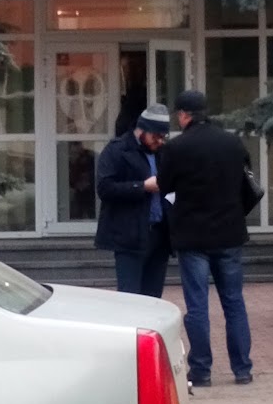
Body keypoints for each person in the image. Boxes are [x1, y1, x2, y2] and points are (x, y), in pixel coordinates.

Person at [158, 90, 253, 387]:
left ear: (183, 115)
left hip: (193, 237)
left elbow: (165, 187)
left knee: (197, 306)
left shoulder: (176, 148)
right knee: (234, 302)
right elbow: (246, 182)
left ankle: (201, 370)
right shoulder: (232, 143)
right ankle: (242, 369)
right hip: (229, 233)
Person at [95, 103, 171, 296]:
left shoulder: (162, 152)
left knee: (154, 298)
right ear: (142, 130)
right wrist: (142, 186)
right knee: (130, 297)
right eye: (156, 136)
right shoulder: (117, 150)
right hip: (129, 236)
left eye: (164, 136)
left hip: (159, 235)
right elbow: (105, 188)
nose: (160, 141)